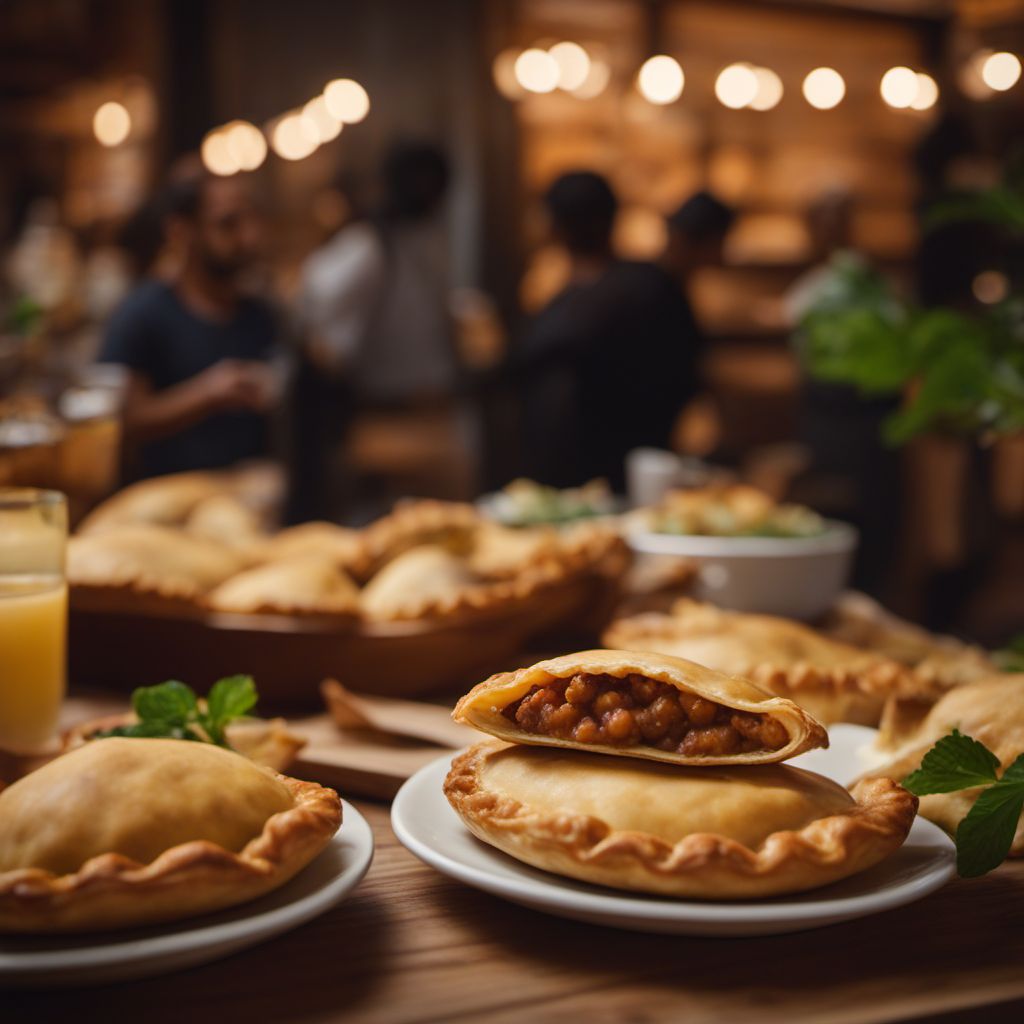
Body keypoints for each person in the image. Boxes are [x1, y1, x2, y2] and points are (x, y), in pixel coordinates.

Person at [293, 140, 467, 520]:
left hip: (434, 417)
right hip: (386, 421)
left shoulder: (422, 238)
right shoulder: (369, 245)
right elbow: (312, 304)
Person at [514, 171, 700, 491]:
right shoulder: (651, 284)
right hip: (632, 471)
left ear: (553, 226)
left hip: (595, 480)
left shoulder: (583, 301)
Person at [99, 170, 277, 480]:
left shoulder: (260, 314)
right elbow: (117, 422)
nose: (248, 237)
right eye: (228, 224)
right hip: (164, 500)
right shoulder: (142, 314)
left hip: (249, 494)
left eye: (251, 221)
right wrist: (207, 394)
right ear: (181, 231)